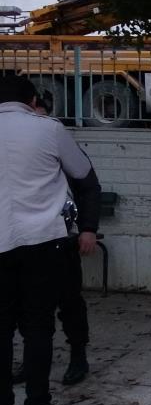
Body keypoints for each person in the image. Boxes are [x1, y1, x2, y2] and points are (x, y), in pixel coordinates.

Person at [1, 74, 92, 405]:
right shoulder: (48, 129)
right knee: (39, 326)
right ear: (32, 99)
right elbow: (83, 174)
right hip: (42, 241)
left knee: (1, 327)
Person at [10, 90, 99, 387]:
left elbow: (88, 184)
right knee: (27, 311)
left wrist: (87, 228)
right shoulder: (29, 136)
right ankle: (33, 370)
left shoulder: (53, 135)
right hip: (22, 239)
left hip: (60, 235)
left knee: (68, 300)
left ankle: (77, 354)